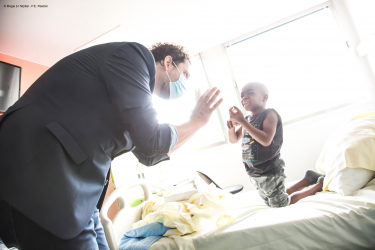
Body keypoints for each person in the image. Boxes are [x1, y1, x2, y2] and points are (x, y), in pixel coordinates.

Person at [0, 42, 223, 249]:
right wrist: (197, 121)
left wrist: (197, 124)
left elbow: (150, 155)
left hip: (78, 197)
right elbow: (152, 142)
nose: (185, 82)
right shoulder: (135, 56)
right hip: (36, 172)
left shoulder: (131, 95)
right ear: (167, 62)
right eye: (184, 73)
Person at [227, 82, 324, 208]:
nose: (244, 98)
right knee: (273, 199)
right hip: (254, 172)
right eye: (242, 95)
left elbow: (266, 140)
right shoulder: (248, 119)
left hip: (269, 170)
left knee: (280, 203)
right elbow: (234, 139)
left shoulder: (269, 114)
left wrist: (242, 122)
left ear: (264, 98)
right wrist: (231, 128)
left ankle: (319, 185)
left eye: (249, 93)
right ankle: (307, 180)